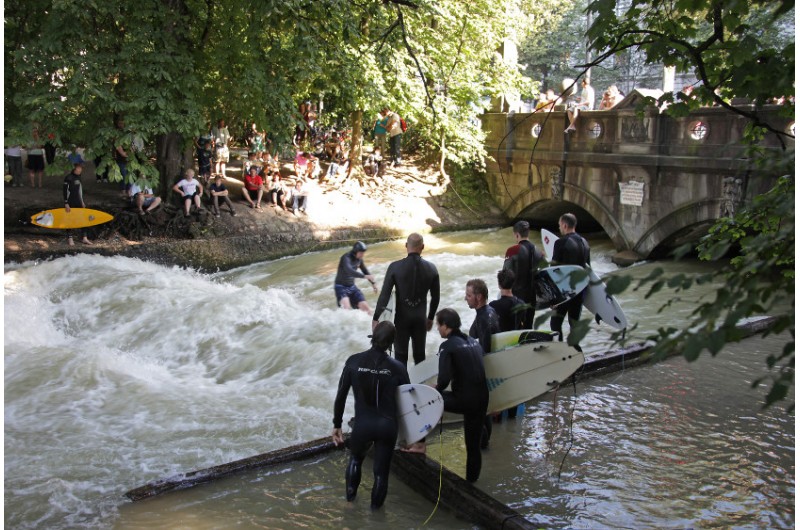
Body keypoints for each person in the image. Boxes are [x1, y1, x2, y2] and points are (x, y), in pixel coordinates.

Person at [331, 321, 410, 510]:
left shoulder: (353, 361)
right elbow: (409, 402)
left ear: (372, 336)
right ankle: (376, 515)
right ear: (391, 343)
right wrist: (412, 437)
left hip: (363, 425)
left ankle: (350, 502)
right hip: (387, 426)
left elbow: (341, 395)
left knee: (356, 460)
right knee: (381, 474)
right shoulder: (398, 367)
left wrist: (337, 424)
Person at [433, 308, 489, 483]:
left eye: (438, 325)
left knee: (428, 399)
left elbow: (443, 380)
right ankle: (472, 483)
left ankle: (419, 444)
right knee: (473, 448)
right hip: (482, 398)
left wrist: (434, 392)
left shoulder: (447, 346)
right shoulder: (473, 341)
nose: (437, 329)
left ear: (446, 325)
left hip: (464, 400)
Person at [373, 233, 440, 366]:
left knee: (400, 357)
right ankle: (421, 385)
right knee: (420, 357)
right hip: (420, 319)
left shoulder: (394, 267)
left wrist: (376, 318)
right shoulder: (432, 269)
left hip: (402, 320)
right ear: (423, 247)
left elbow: (385, 296)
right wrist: (431, 318)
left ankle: (402, 385)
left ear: (406, 246)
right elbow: (435, 297)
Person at [550, 213, 591, 349]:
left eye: (560, 225)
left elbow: (554, 271)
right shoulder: (585, 243)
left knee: (555, 325)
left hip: (563, 291)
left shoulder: (560, 243)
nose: (559, 227)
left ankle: (560, 352)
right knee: (574, 324)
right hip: (579, 290)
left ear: (565, 225)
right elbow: (587, 269)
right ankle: (576, 353)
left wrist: (553, 298)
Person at [502, 220, 543, 329]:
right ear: (528, 233)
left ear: (516, 234)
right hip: (532, 297)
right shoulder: (539, 251)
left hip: (515, 297)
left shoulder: (512, 250)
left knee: (515, 329)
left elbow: (505, 275)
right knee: (528, 328)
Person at [334, 241, 378, 313]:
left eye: (363, 253)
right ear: (355, 251)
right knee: (346, 309)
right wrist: (365, 276)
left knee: (367, 310)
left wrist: (373, 283)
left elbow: (365, 271)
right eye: (361, 253)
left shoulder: (359, 259)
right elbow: (349, 271)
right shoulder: (346, 258)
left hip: (352, 287)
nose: (362, 255)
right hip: (341, 287)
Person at [465, 279, 500, 354]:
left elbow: (485, 352)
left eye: (469, 295)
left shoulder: (484, 318)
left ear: (479, 297)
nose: (465, 298)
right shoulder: (489, 310)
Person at [63, 157, 92, 246]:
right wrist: (66, 203)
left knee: (84, 218)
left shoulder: (79, 177)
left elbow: (80, 190)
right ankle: (70, 238)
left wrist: (82, 201)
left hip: (78, 201)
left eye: (81, 168)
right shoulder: (68, 178)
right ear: (74, 168)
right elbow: (65, 191)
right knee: (69, 219)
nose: (81, 169)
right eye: (79, 168)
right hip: (70, 202)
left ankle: (84, 237)